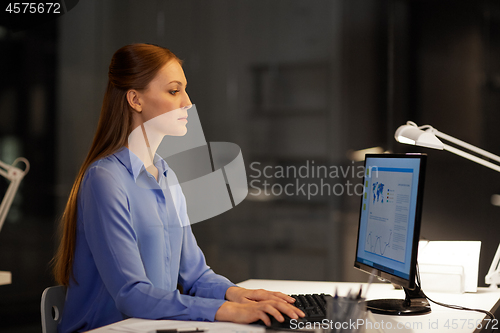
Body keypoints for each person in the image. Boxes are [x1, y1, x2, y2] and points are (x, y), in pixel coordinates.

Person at [52, 43, 304, 333]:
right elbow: (131, 294)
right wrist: (227, 311)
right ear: (135, 99)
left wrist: (240, 295)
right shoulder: (105, 180)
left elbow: (196, 276)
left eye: (185, 90)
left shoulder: (166, 175)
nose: (187, 102)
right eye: (174, 91)